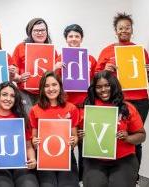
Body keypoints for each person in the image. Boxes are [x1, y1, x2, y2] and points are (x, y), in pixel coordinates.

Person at [95, 12, 149, 170]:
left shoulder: (140, 51)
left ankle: (134, 179)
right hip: (116, 100)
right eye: (120, 28)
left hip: (140, 100)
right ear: (116, 31)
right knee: (116, 138)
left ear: (132, 30)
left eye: (127, 27)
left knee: (135, 139)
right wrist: (105, 69)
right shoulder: (107, 51)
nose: (124, 30)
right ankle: (115, 173)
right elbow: (96, 77)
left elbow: (147, 79)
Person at [79, 70, 146, 187]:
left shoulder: (127, 107)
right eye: (99, 87)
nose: (103, 90)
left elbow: (142, 135)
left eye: (107, 85)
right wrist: (80, 136)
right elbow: (78, 136)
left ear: (114, 86)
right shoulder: (87, 108)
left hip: (124, 160)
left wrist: (128, 138)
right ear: (94, 89)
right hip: (95, 161)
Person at [55, 24, 97, 181]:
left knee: (84, 143)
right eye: (70, 36)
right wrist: (55, 68)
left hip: (85, 107)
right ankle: (70, 178)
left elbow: (97, 82)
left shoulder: (90, 59)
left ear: (81, 39)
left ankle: (84, 179)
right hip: (66, 107)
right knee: (68, 142)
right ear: (66, 39)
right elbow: (50, 82)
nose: (73, 39)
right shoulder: (59, 59)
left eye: (77, 36)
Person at [0, 81, 39, 187]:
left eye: (12, 96)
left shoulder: (22, 119)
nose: (8, 99)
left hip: (20, 164)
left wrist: (33, 159)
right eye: (4, 95)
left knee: (29, 185)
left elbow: (29, 146)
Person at [29, 71, 80, 187]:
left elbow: (75, 137)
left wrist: (74, 140)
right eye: (46, 86)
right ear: (42, 89)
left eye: (54, 84)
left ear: (60, 86)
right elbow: (33, 139)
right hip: (44, 159)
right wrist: (35, 141)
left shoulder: (71, 108)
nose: (51, 89)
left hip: (66, 157)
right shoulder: (35, 110)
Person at [12, 18, 58, 114]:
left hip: (45, 93)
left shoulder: (52, 50)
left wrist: (56, 68)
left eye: (42, 30)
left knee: (41, 121)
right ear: (30, 32)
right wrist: (19, 78)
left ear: (46, 32)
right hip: (24, 93)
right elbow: (13, 75)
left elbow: (55, 77)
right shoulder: (20, 47)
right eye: (36, 30)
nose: (40, 33)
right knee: (28, 121)